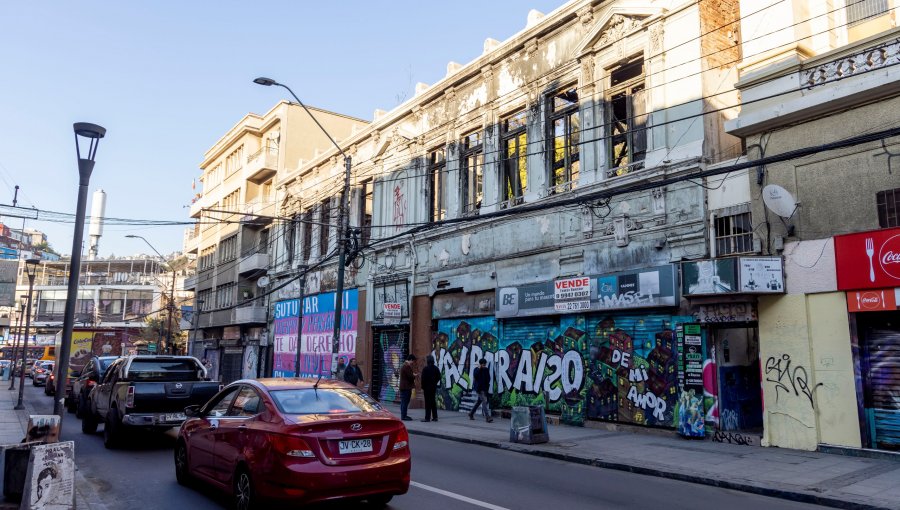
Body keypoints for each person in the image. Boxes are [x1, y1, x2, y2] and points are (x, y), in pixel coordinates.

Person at [469, 358, 493, 422]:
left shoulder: (486, 370)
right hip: (479, 389)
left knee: (479, 402)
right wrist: (480, 369)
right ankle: (487, 417)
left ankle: (471, 413)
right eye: (483, 364)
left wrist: (487, 387)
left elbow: (488, 378)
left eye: (485, 364)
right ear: (480, 364)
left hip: (484, 388)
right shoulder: (476, 369)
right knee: (484, 401)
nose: (484, 366)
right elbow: (475, 376)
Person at [420, 354, 440, 422]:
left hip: (427, 388)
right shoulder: (436, 368)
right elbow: (439, 377)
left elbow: (423, 379)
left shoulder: (425, 369)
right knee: (433, 402)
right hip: (433, 387)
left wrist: (423, 387)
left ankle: (427, 418)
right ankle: (435, 417)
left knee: (427, 403)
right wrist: (435, 383)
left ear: (428, 361)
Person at [398, 354, 416, 421]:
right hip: (406, 387)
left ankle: (404, 415)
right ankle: (404, 416)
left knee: (403, 402)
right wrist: (414, 375)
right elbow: (410, 376)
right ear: (411, 360)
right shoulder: (406, 366)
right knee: (405, 402)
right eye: (413, 361)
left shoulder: (404, 365)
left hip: (404, 387)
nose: (413, 363)